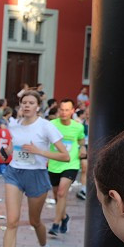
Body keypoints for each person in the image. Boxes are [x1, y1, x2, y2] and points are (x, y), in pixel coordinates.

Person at [0, 90, 69, 247]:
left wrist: (39, 151)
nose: (26, 105)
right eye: (24, 102)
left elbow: (65, 156)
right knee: (12, 221)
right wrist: (6, 152)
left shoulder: (46, 127)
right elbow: (13, 147)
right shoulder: (15, 125)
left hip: (36, 175)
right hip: (14, 173)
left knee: (34, 221)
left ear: (38, 106)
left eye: (30, 103)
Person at [47, 99, 86, 237]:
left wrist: (82, 148)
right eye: (61, 110)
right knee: (58, 196)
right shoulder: (51, 125)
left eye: (67, 110)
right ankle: (64, 217)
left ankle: (56, 224)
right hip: (54, 164)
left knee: (62, 193)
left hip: (71, 163)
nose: (64, 113)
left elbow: (81, 139)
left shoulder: (78, 127)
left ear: (72, 111)